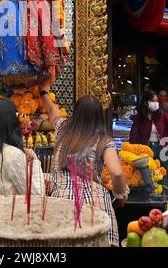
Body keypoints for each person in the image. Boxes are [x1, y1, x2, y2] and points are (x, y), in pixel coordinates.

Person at [40, 86, 129, 247]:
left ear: (76, 113)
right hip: (97, 207)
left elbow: (52, 111)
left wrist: (44, 92)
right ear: (99, 117)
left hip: (63, 203)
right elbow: (116, 172)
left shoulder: (62, 128)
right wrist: (121, 194)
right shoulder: (103, 139)